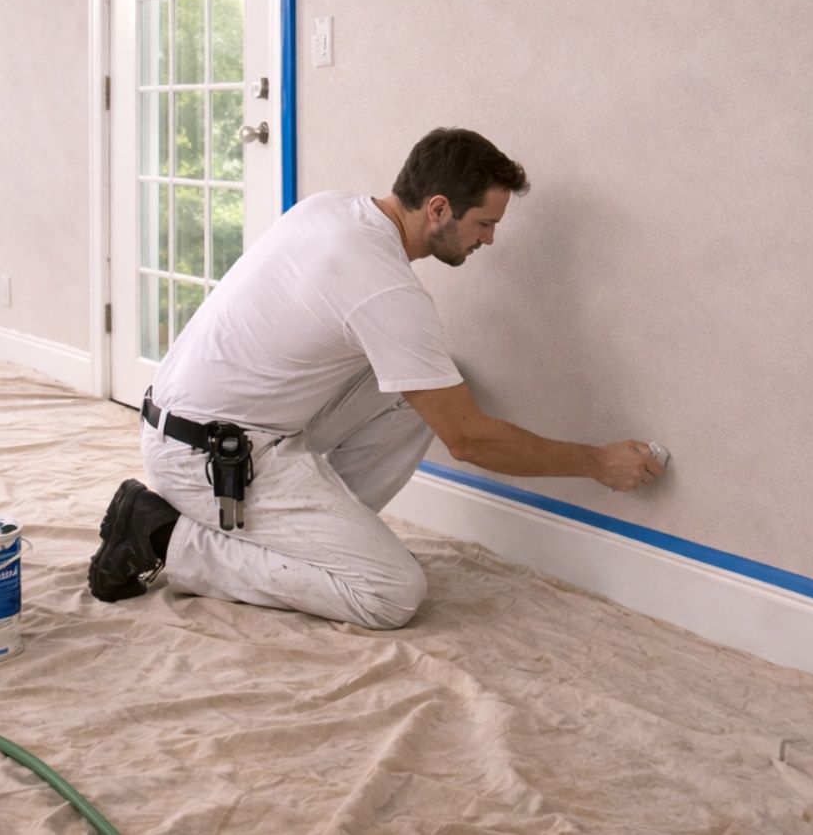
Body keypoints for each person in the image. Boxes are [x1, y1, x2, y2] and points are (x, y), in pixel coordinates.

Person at [86, 127, 666, 629]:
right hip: (212, 457)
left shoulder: (331, 209)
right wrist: (595, 462)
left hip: (198, 422)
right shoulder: (386, 288)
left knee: (425, 390)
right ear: (438, 208)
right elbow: (468, 440)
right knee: (391, 592)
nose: (490, 239)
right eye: (485, 223)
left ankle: (305, 534)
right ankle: (164, 535)